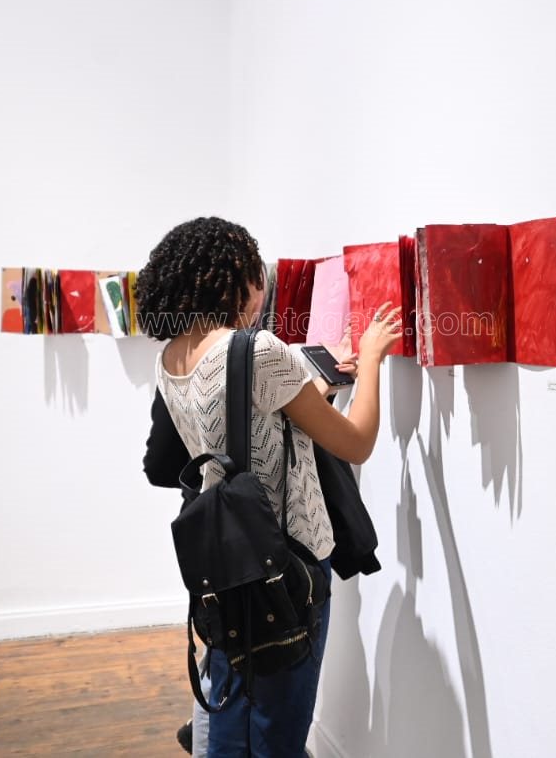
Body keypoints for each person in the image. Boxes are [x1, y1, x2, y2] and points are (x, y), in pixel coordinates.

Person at [134, 216, 401, 758]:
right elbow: (356, 443)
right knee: (280, 723)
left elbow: (245, 421)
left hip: (225, 557)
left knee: (230, 710)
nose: (263, 289)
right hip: (286, 558)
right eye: (258, 275)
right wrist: (372, 359)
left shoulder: (172, 355)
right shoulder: (257, 350)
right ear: (236, 277)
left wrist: (316, 384)